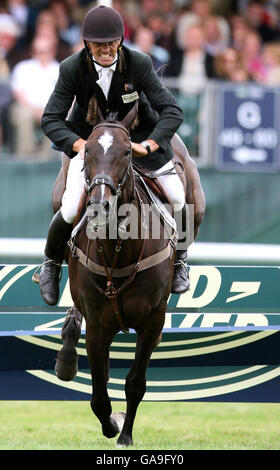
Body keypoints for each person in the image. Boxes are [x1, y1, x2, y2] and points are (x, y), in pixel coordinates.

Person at [39, 5, 203, 309]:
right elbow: (50, 120)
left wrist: (151, 145)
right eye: (98, 44)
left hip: (138, 140)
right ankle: (50, 264)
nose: (105, 49)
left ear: (120, 40)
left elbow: (172, 111)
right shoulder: (71, 68)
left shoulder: (139, 63)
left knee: (180, 199)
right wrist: (79, 145)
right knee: (71, 205)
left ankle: (179, 258)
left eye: (110, 43)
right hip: (94, 144)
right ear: (87, 43)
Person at [10, 34, 59, 158]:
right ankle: (25, 157)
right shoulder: (23, 67)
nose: (40, 54)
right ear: (32, 52)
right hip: (27, 107)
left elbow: (65, 96)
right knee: (23, 114)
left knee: (59, 115)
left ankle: (46, 159)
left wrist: (47, 111)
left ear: (52, 51)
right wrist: (35, 110)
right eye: (37, 51)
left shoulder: (60, 69)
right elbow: (18, 94)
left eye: (44, 51)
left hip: (51, 109)